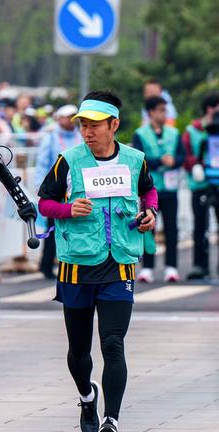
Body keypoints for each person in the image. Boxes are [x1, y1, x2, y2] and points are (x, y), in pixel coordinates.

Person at [38, 91, 157, 432]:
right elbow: (45, 202)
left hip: (119, 264)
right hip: (77, 266)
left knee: (112, 342)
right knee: (78, 351)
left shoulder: (135, 160)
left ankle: (111, 420)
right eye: (83, 126)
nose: (87, 132)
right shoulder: (69, 160)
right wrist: (67, 209)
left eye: (94, 125)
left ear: (114, 125)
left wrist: (150, 212)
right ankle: (88, 397)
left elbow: (148, 191)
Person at [133, 96, 185, 282]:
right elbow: (139, 158)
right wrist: (159, 161)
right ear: (151, 112)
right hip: (149, 188)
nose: (164, 113)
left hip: (170, 188)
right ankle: (147, 268)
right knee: (147, 227)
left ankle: (171, 267)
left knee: (172, 228)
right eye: (161, 110)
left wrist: (174, 161)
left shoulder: (174, 133)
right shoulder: (140, 134)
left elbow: (182, 155)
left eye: (165, 110)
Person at [34, 104, 82, 279]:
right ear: (59, 118)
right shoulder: (51, 138)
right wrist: (41, 187)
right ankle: (46, 265)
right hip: (55, 190)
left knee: (74, 227)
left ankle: (68, 263)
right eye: (67, 116)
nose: (70, 120)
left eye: (73, 116)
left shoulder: (79, 136)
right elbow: (42, 163)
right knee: (53, 228)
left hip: (75, 190)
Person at [182, 93, 219, 279]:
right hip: (200, 184)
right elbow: (185, 153)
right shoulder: (194, 130)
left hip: (217, 181)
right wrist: (195, 165)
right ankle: (200, 265)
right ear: (210, 108)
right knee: (200, 226)